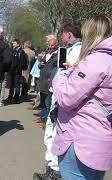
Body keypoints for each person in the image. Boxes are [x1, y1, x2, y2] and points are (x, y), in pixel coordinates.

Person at [52, 15, 112, 180]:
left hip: (80, 141)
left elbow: (66, 98)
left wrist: (61, 75)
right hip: (101, 139)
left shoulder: (95, 61)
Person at [33, 24, 82, 180]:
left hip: (62, 99)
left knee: (54, 134)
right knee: (51, 132)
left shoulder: (78, 51)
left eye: (62, 35)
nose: (61, 38)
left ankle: (54, 172)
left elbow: (70, 76)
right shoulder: (71, 50)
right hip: (58, 96)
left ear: (68, 34)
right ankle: (53, 169)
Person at [33, 38, 59, 129]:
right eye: (49, 45)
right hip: (42, 80)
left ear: (56, 44)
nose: (50, 47)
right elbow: (41, 64)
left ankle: (47, 122)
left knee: (48, 104)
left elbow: (58, 68)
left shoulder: (58, 54)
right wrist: (40, 65)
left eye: (52, 45)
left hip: (49, 81)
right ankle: (42, 118)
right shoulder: (46, 53)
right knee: (43, 102)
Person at [4, 39, 28, 104]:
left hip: (17, 72)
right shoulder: (13, 51)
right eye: (13, 43)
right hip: (11, 71)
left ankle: (16, 98)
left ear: (18, 44)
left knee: (17, 85)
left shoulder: (21, 52)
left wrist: (17, 69)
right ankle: (10, 96)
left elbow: (22, 63)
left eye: (14, 43)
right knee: (11, 85)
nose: (13, 44)